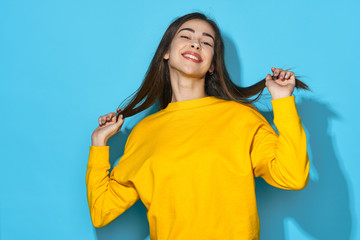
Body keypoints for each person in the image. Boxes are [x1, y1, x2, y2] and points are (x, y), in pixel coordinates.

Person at [86, 12, 310, 240]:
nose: (196, 43)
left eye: (206, 42)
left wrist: (283, 101)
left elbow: (292, 175)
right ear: (165, 52)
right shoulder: (143, 132)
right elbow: (101, 211)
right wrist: (98, 143)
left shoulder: (242, 118)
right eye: (186, 36)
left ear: (212, 65)